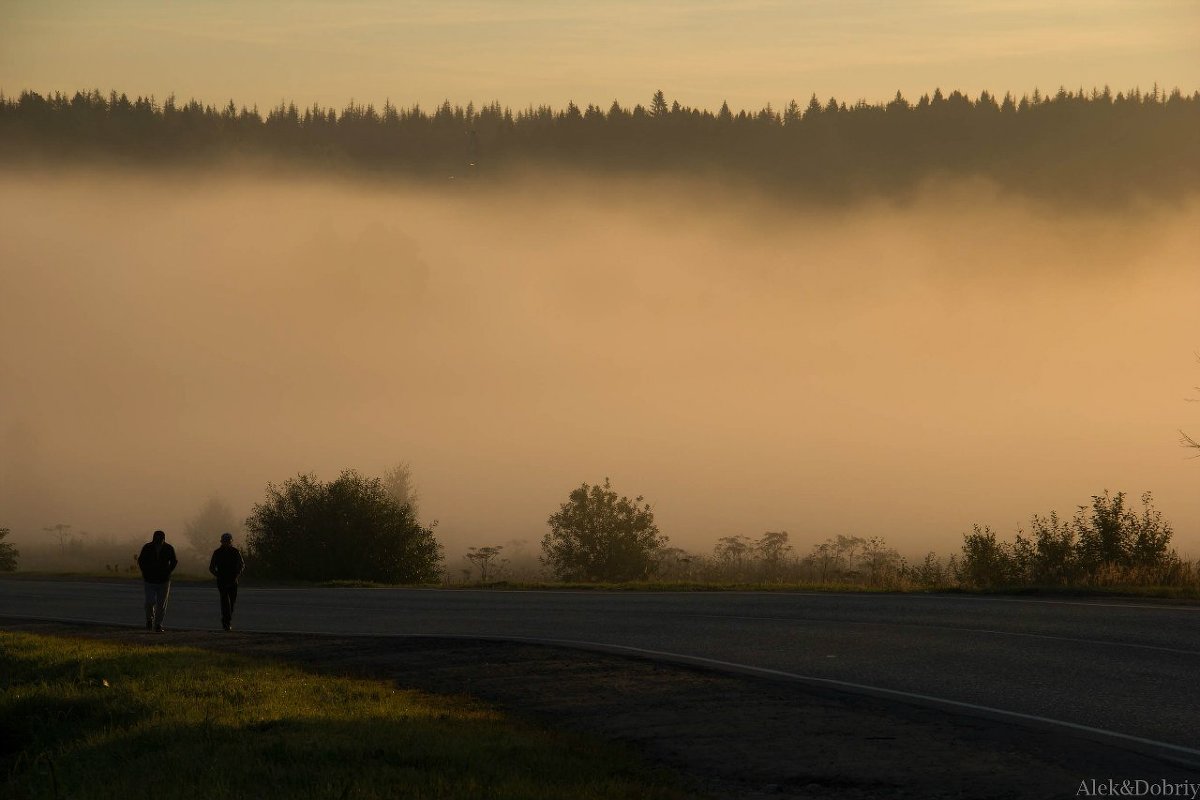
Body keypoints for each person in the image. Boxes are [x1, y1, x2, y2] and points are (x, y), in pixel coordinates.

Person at [137, 530, 177, 632]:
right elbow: (141, 560)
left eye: (160, 539)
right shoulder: (147, 547)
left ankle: (158, 624)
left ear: (164, 539)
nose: (159, 541)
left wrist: (168, 571)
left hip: (164, 580)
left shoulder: (168, 548)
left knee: (161, 603)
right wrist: (145, 572)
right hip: (150, 580)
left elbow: (174, 561)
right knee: (149, 602)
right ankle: (149, 620)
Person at [208, 532, 245, 631]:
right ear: (222, 542)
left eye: (228, 541)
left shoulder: (235, 552)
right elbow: (211, 567)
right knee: (225, 602)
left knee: (231, 603)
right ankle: (226, 623)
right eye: (225, 541)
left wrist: (236, 575)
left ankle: (227, 620)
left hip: (233, 580)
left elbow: (241, 565)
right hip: (222, 581)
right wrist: (218, 576)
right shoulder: (217, 553)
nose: (226, 543)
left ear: (231, 542)